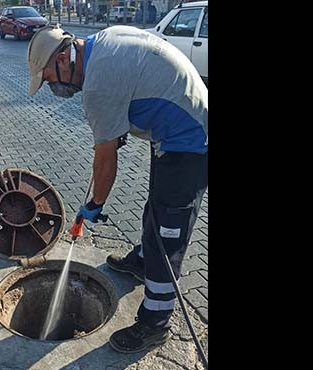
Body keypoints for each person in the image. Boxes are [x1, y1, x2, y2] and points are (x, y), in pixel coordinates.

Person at [26, 25, 207, 353]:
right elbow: (136, 80)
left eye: (49, 78)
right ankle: (142, 261)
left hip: (191, 140)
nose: (52, 86)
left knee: (168, 235)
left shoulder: (97, 86)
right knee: (155, 209)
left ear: (64, 57)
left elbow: (105, 163)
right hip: (171, 132)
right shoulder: (101, 42)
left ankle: (155, 324)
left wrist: (95, 203)